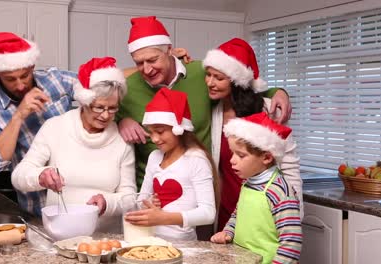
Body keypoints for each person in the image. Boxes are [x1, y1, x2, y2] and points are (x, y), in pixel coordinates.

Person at [117, 16, 292, 188]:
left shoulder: (202, 74)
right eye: (139, 63)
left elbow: (239, 85)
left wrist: (278, 92)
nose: (147, 69)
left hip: (203, 190)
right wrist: (121, 122)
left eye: (153, 60)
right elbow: (97, 112)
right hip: (151, 191)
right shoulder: (126, 89)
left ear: (169, 50)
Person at [11, 57, 136, 233]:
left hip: (106, 238)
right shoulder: (55, 127)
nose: (106, 115)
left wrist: (108, 202)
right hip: (60, 234)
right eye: (99, 107)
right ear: (84, 102)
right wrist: (41, 176)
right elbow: (19, 176)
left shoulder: (121, 140)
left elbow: (130, 197)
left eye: (112, 108)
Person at [0, 32, 78, 216]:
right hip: (39, 212)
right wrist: (18, 115)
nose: (20, 85)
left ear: (32, 65)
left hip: (80, 200)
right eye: (10, 79)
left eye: (25, 75)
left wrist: (124, 120)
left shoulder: (56, 80)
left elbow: (103, 82)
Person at [202, 38, 302, 231]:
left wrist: (292, 216)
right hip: (227, 212)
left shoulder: (268, 111)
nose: (210, 82)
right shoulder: (213, 111)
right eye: (208, 75)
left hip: (264, 211)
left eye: (218, 78)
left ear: (237, 82)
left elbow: (289, 166)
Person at [124, 88, 217, 241]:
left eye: (160, 132)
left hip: (183, 244)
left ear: (179, 129)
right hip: (150, 238)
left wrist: (163, 218)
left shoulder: (196, 159)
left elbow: (208, 213)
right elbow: (141, 199)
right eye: (151, 132)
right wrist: (148, 203)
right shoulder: (154, 157)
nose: (154, 139)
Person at [210, 112, 302, 263]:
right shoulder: (249, 182)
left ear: (266, 157)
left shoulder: (280, 191)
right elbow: (238, 215)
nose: (232, 160)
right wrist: (228, 232)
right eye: (233, 153)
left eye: (241, 155)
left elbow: (291, 242)